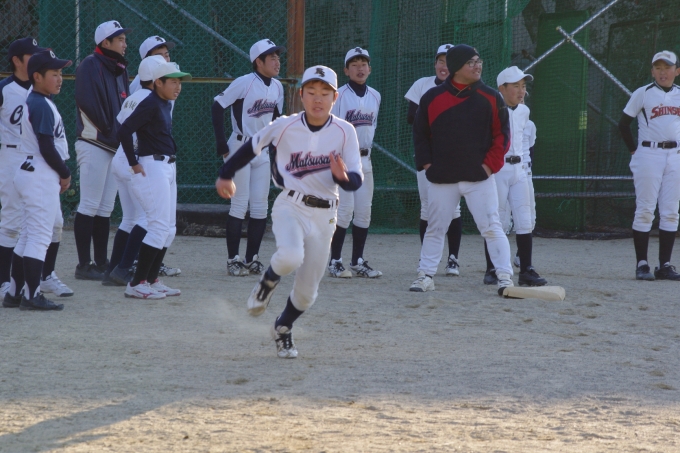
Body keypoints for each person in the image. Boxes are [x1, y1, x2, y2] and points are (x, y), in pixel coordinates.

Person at [215, 65, 363, 358]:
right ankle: (267, 281)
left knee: (308, 294)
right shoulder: (285, 125)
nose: (318, 99)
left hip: (326, 215)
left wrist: (343, 177)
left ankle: (282, 327)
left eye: (325, 93)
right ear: (301, 95)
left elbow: (355, 181)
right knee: (290, 256)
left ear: (335, 98)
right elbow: (252, 146)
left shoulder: (345, 131)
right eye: (311, 92)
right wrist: (226, 174)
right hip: (291, 205)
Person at [409, 44, 513, 295]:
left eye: (479, 61)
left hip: (479, 178)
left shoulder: (491, 97)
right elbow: (420, 135)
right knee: (435, 228)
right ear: (456, 67)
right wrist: (428, 166)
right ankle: (425, 275)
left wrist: (488, 167)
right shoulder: (431, 97)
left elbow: (502, 136)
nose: (478, 66)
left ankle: (505, 278)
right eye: (471, 62)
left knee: (492, 227)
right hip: (442, 178)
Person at [1, 37, 74, 301]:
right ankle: (18, 288)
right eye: (54, 73)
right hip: (22, 161)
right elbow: (45, 144)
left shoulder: (40, 96)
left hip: (35, 164)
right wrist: (64, 172)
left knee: (45, 227)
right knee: (23, 228)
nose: (59, 78)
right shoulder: (22, 95)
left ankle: (29, 283)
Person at [117, 61, 191, 299]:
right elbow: (124, 130)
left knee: (169, 229)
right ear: (158, 82)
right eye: (173, 82)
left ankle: (150, 280)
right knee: (158, 226)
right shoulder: (150, 103)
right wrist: (133, 162)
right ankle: (136, 284)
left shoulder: (164, 103)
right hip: (152, 166)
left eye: (179, 82)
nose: (178, 87)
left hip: (167, 166)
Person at [211, 39, 285, 277]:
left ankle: (251, 258)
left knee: (261, 206)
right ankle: (233, 260)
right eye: (271, 57)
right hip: (240, 146)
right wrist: (221, 143)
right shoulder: (245, 82)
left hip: (262, 150)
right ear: (258, 61)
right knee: (240, 203)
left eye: (278, 57)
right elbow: (217, 105)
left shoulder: (278, 87)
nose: (277, 61)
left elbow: (276, 119)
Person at [73, 20, 131, 280]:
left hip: (113, 145)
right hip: (94, 142)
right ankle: (83, 265)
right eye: (120, 39)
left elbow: (125, 106)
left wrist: (120, 134)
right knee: (89, 203)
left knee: (105, 207)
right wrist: (110, 129)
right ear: (105, 42)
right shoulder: (90, 64)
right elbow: (87, 102)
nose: (125, 44)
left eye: (124, 39)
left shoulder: (119, 68)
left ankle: (100, 261)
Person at [104, 55, 167, 286]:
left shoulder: (133, 97)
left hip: (120, 159)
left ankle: (112, 270)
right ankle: (123, 269)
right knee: (147, 218)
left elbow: (121, 124)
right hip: (135, 160)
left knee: (129, 218)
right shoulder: (152, 99)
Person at [482, 66, 547, 287]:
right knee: (497, 219)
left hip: (519, 169)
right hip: (498, 169)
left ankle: (526, 269)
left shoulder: (524, 111)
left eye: (523, 86)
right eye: (516, 86)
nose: (521, 91)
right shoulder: (490, 109)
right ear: (502, 88)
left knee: (525, 219)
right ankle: (492, 268)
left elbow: (525, 142)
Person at [619, 50, 680, 281]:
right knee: (645, 209)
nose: (663, 72)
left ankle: (664, 265)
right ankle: (642, 264)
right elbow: (623, 124)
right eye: (658, 68)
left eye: (667, 68)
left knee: (671, 211)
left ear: (677, 71)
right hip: (649, 153)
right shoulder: (643, 93)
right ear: (652, 71)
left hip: (675, 155)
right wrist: (634, 150)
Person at [404, 44, 463, 276]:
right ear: (435, 64)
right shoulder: (423, 84)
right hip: (427, 154)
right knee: (427, 207)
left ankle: (453, 259)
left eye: (449, 62)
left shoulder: (464, 88)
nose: (444, 66)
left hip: (453, 155)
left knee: (454, 208)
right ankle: (427, 257)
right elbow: (412, 117)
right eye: (440, 61)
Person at [327, 47, 382, 279]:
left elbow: (372, 128)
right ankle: (335, 261)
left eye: (363, 64)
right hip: (344, 159)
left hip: (365, 159)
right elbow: (332, 129)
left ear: (370, 69)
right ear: (346, 70)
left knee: (364, 212)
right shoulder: (339, 95)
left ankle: (357, 261)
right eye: (354, 65)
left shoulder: (375, 95)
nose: (360, 69)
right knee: (344, 212)